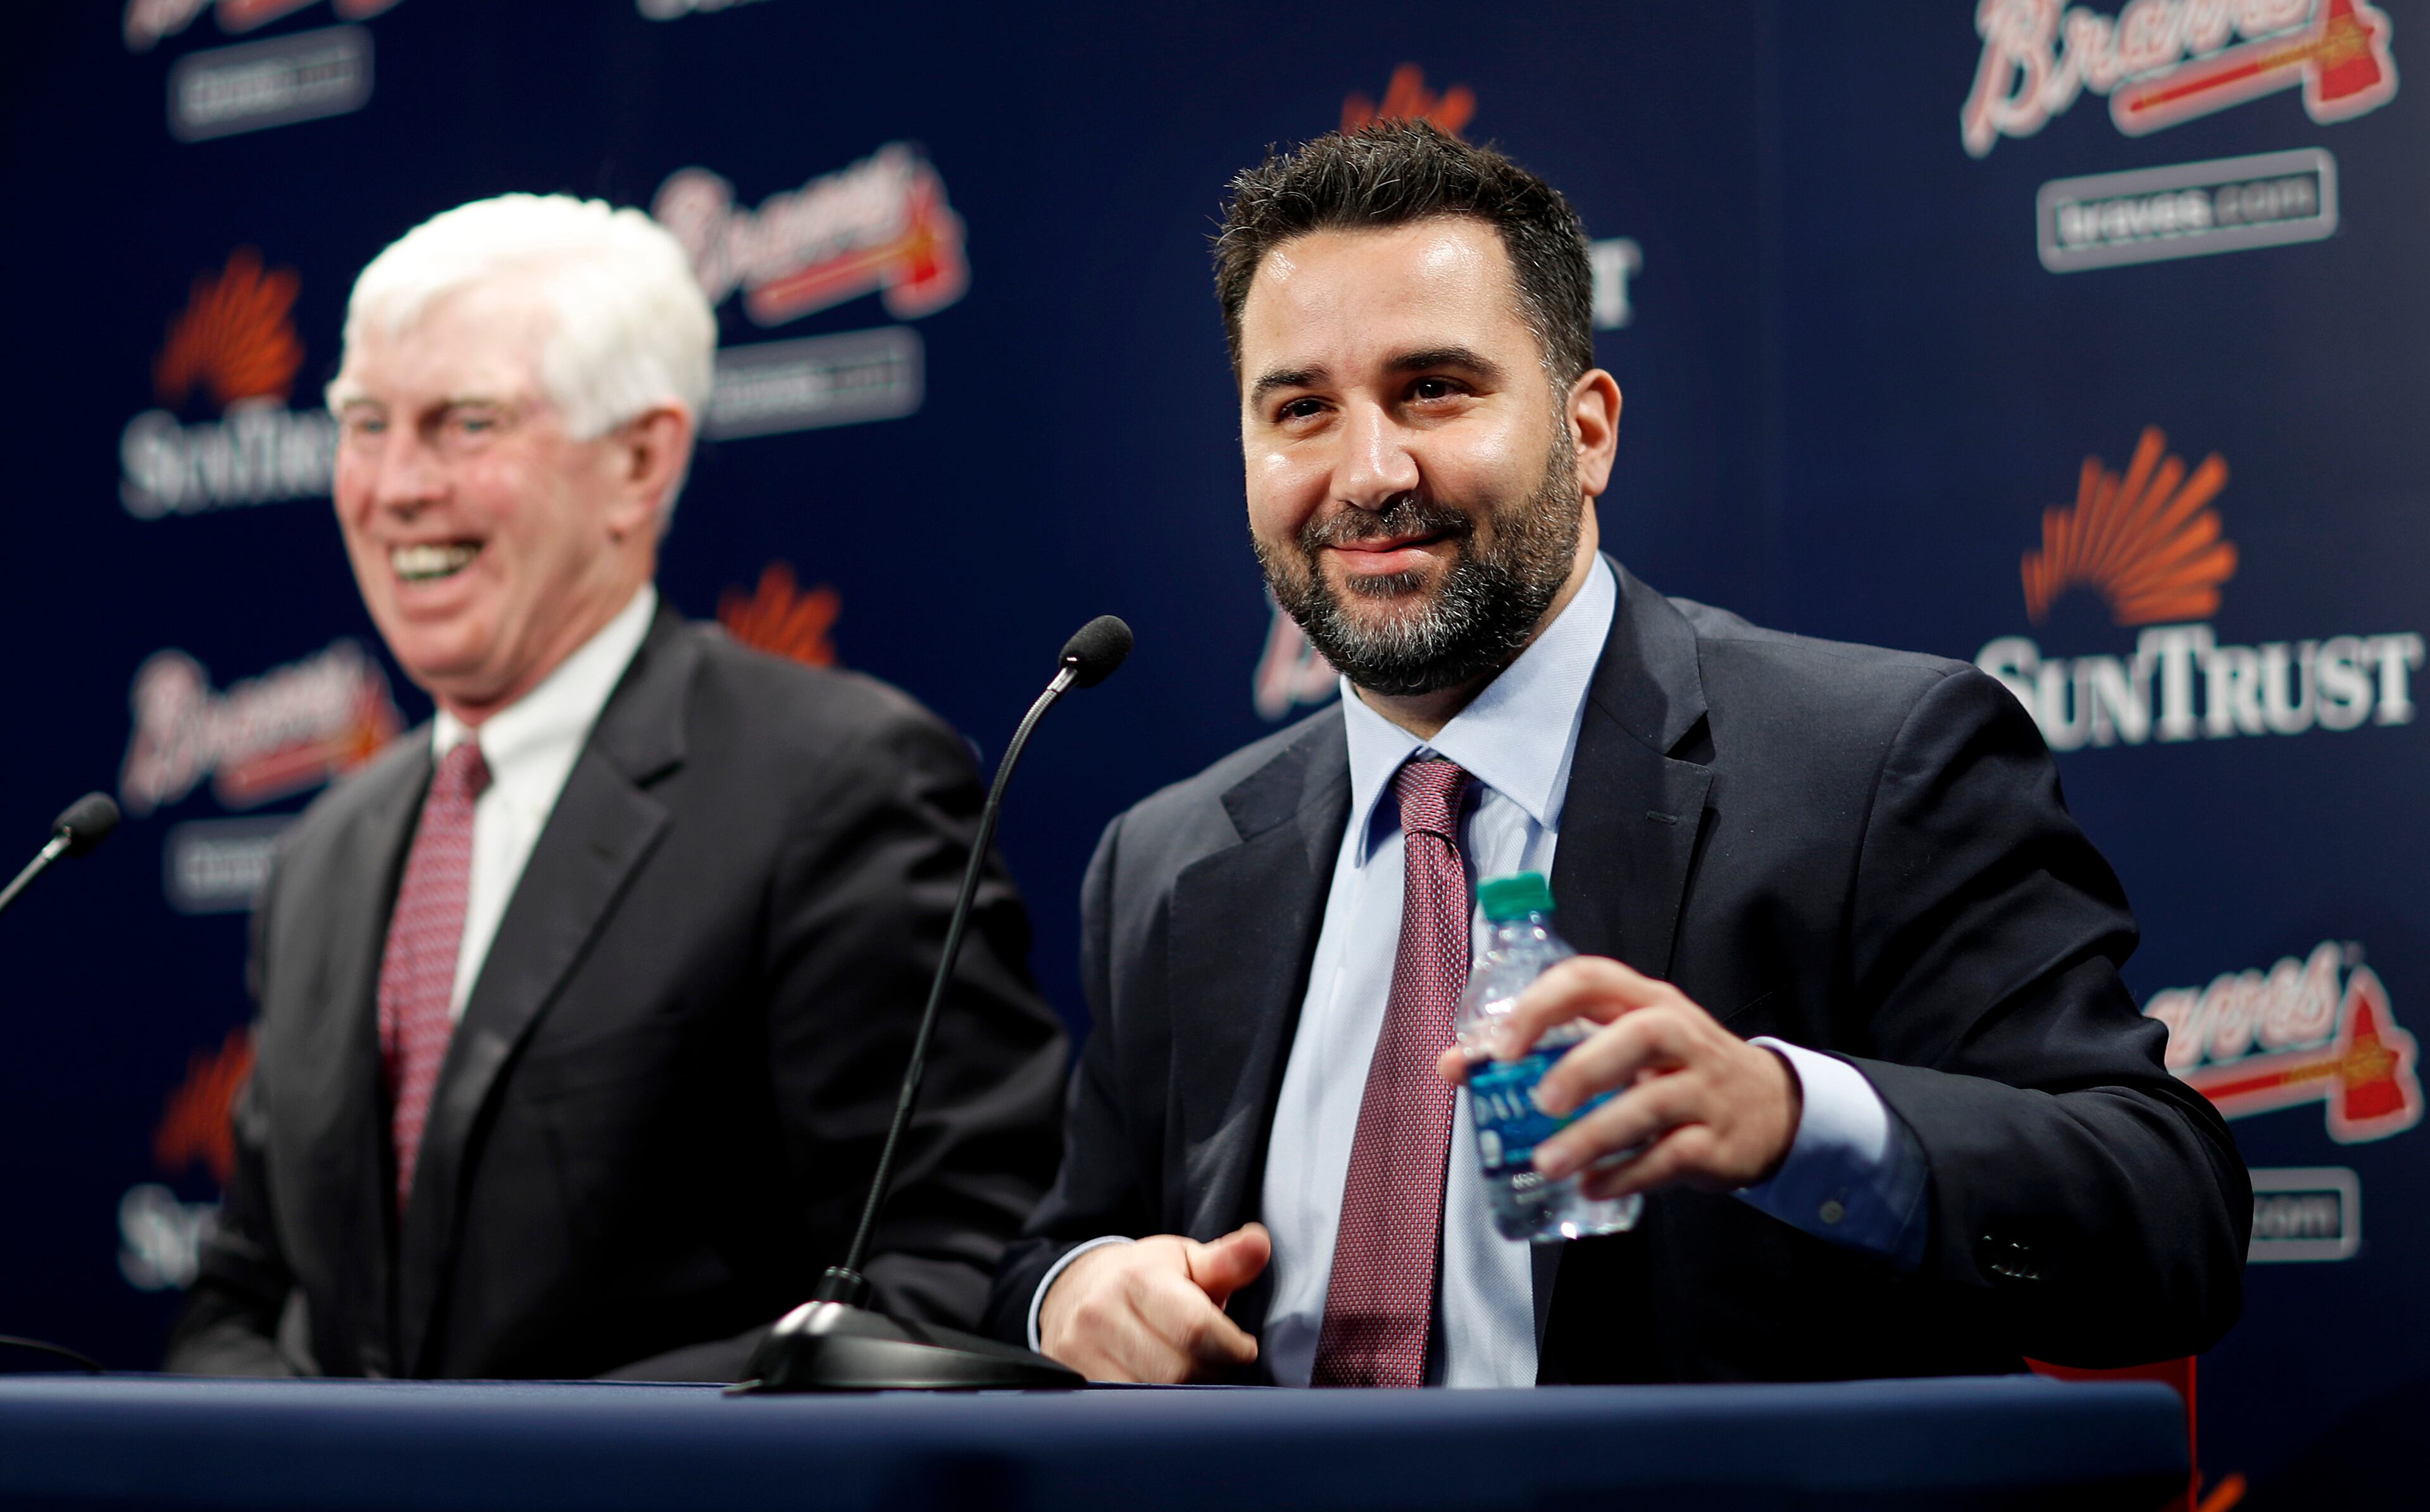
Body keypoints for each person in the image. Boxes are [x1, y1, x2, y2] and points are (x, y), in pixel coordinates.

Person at [987, 123, 2248, 1386]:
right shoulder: (1170, 860)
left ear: (1589, 431)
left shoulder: (1875, 766)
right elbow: (1054, 1242)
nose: (1369, 471)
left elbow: (2172, 1219)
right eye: (1301, 408)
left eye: (1435, 388)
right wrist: (1072, 1292)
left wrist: (1795, 1120)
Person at [167, 195, 1067, 1380]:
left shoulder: (839, 788)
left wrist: (505, 1479)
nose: (391, 486)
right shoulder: (328, 850)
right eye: (364, 423)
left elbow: (937, 1280)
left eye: (463, 423)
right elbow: (241, 1300)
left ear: (640, 462)